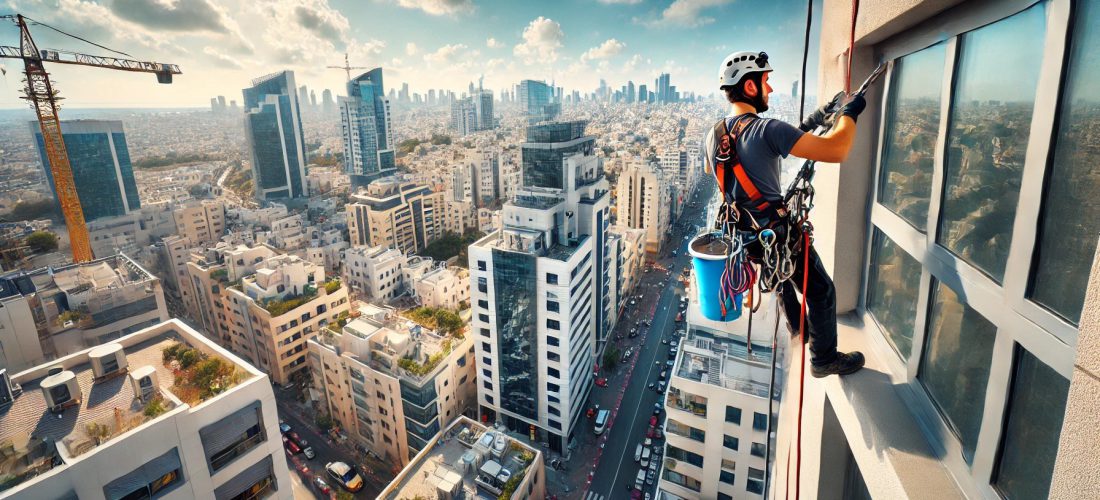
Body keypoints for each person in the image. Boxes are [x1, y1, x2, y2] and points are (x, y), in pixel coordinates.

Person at [702, 50, 866, 378]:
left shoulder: (714, 135)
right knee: (820, 291)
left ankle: (797, 327)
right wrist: (849, 113)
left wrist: (817, 118)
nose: (770, 89)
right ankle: (824, 359)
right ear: (749, 88)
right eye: (765, 82)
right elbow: (838, 149)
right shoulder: (768, 129)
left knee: (778, 276)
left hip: (745, 237)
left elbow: (717, 168)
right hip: (777, 234)